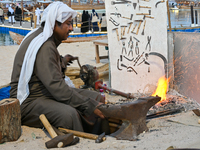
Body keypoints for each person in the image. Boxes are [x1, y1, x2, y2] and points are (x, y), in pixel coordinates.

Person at [10, 2, 107, 134]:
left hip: (44, 93)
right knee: (69, 115)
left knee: (96, 98)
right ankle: (84, 139)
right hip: (27, 101)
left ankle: (99, 133)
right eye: (68, 24)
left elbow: (44, 66)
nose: (71, 28)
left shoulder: (43, 38)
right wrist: (88, 106)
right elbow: (56, 87)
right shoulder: (46, 46)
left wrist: (62, 60)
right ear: (55, 24)